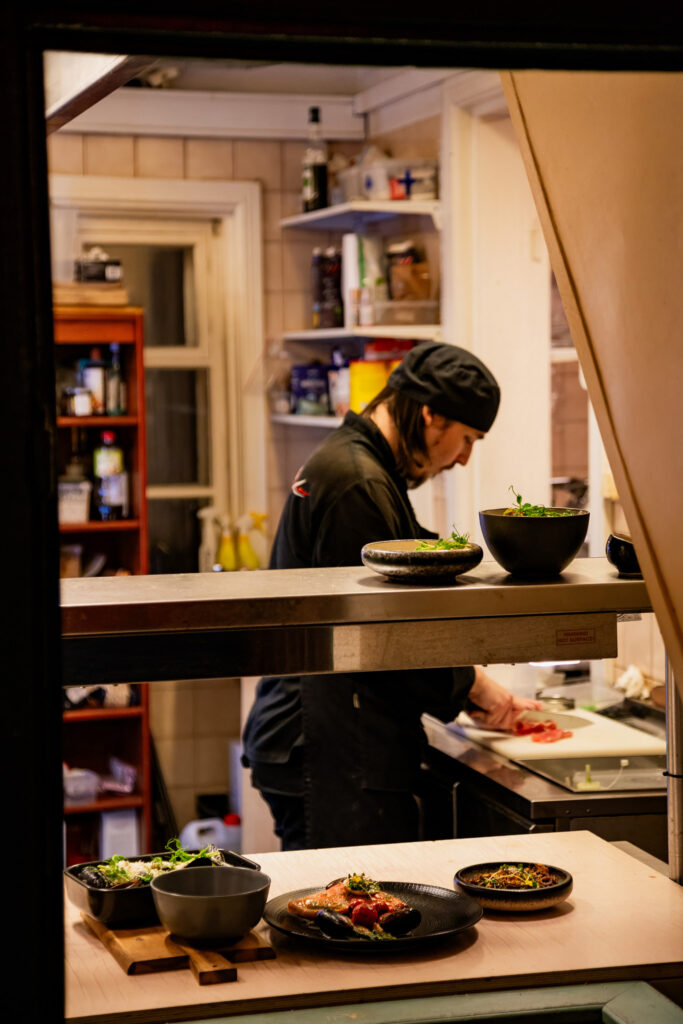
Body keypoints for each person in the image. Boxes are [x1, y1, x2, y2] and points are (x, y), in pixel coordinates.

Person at [242, 342, 542, 850]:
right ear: (430, 416)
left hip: (327, 739)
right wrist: (474, 685)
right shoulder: (357, 482)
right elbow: (385, 637)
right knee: (345, 900)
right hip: (329, 747)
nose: (464, 458)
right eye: (468, 439)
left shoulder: (360, 466)